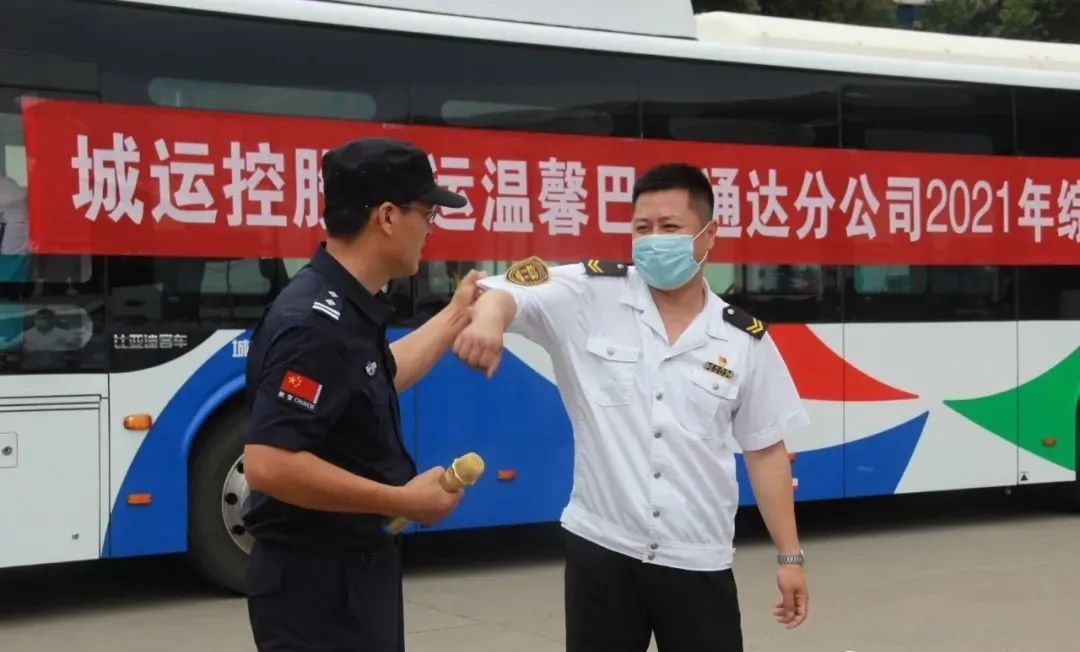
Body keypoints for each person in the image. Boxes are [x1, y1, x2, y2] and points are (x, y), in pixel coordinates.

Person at [453, 162, 810, 651]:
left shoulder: (742, 338)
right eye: (642, 228)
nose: (653, 240)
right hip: (602, 551)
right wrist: (489, 321)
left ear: (708, 237)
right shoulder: (590, 293)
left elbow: (765, 450)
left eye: (669, 227)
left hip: (697, 559)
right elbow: (502, 289)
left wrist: (789, 557)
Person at [241, 137, 482, 652]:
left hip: (352, 571)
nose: (430, 229)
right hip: (317, 587)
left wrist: (457, 315)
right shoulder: (314, 323)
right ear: (389, 217)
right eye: (428, 212)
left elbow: (375, 379)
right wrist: (403, 501)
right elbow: (269, 463)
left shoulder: (347, 305)